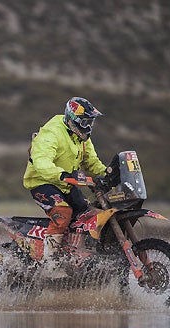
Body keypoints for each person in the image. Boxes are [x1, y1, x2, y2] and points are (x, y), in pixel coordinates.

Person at [23, 97, 109, 278]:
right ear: (73, 119)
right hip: (42, 182)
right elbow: (41, 161)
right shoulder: (52, 132)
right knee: (63, 212)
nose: (88, 126)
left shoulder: (82, 137)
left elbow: (92, 163)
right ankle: (50, 264)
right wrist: (62, 174)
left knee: (90, 215)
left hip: (66, 183)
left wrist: (108, 174)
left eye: (90, 121)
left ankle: (74, 258)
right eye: (85, 121)